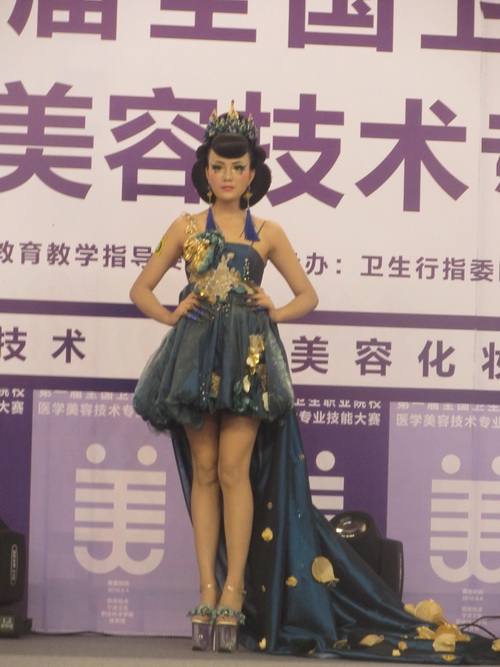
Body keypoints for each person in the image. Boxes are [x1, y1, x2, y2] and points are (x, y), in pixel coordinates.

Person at [131, 104, 500, 662]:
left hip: (249, 364)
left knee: (233, 472)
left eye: (237, 167)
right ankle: (206, 589)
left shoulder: (269, 233)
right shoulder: (183, 228)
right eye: (218, 166)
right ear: (204, 170)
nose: (227, 176)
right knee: (204, 471)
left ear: (252, 173)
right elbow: (141, 287)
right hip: (194, 363)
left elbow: (308, 296)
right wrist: (171, 313)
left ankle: (234, 592)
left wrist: (272, 311)